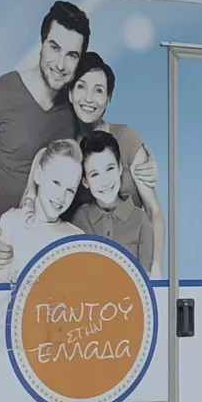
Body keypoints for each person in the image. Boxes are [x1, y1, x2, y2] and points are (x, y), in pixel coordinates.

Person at [0, 0, 90, 280]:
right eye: (54, 48)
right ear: (41, 42)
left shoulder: (76, 107)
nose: (61, 64)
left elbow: (103, 154)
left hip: (59, 265)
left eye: (72, 55)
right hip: (5, 262)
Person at [63, 52, 164, 275]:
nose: (89, 98)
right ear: (70, 93)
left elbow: (153, 209)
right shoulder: (66, 149)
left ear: (108, 99)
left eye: (99, 90)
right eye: (81, 87)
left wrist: (155, 268)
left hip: (132, 258)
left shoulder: (126, 137)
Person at [0, 139, 85, 282]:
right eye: (56, 182)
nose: (61, 196)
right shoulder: (11, 223)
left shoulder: (76, 238)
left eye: (70, 190)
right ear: (38, 175)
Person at [72, 130, 157, 274]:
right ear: (85, 181)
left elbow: (146, 278)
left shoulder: (141, 220)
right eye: (95, 174)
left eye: (110, 168)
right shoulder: (80, 219)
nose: (105, 181)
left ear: (120, 168)